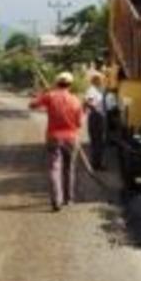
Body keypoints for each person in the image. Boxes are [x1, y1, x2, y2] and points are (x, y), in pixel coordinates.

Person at [29, 72, 83, 212]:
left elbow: (32, 105)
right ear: (70, 84)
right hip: (71, 138)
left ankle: (56, 201)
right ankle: (68, 199)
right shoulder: (76, 100)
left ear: (56, 83)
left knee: (54, 169)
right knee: (69, 169)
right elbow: (79, 123)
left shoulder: (50, 96)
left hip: (53, 137)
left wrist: (41, 94)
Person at [84, 73, 107, 170]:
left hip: (98, 116)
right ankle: (96, 164)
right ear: (96, 81)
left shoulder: (98, 90)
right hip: (96, 117)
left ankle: (98, 163)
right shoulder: (91, 90)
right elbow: (88, 102)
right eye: (101, 80)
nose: (102, 82)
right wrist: (96, 110)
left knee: (99, 141)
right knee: (97, 140)